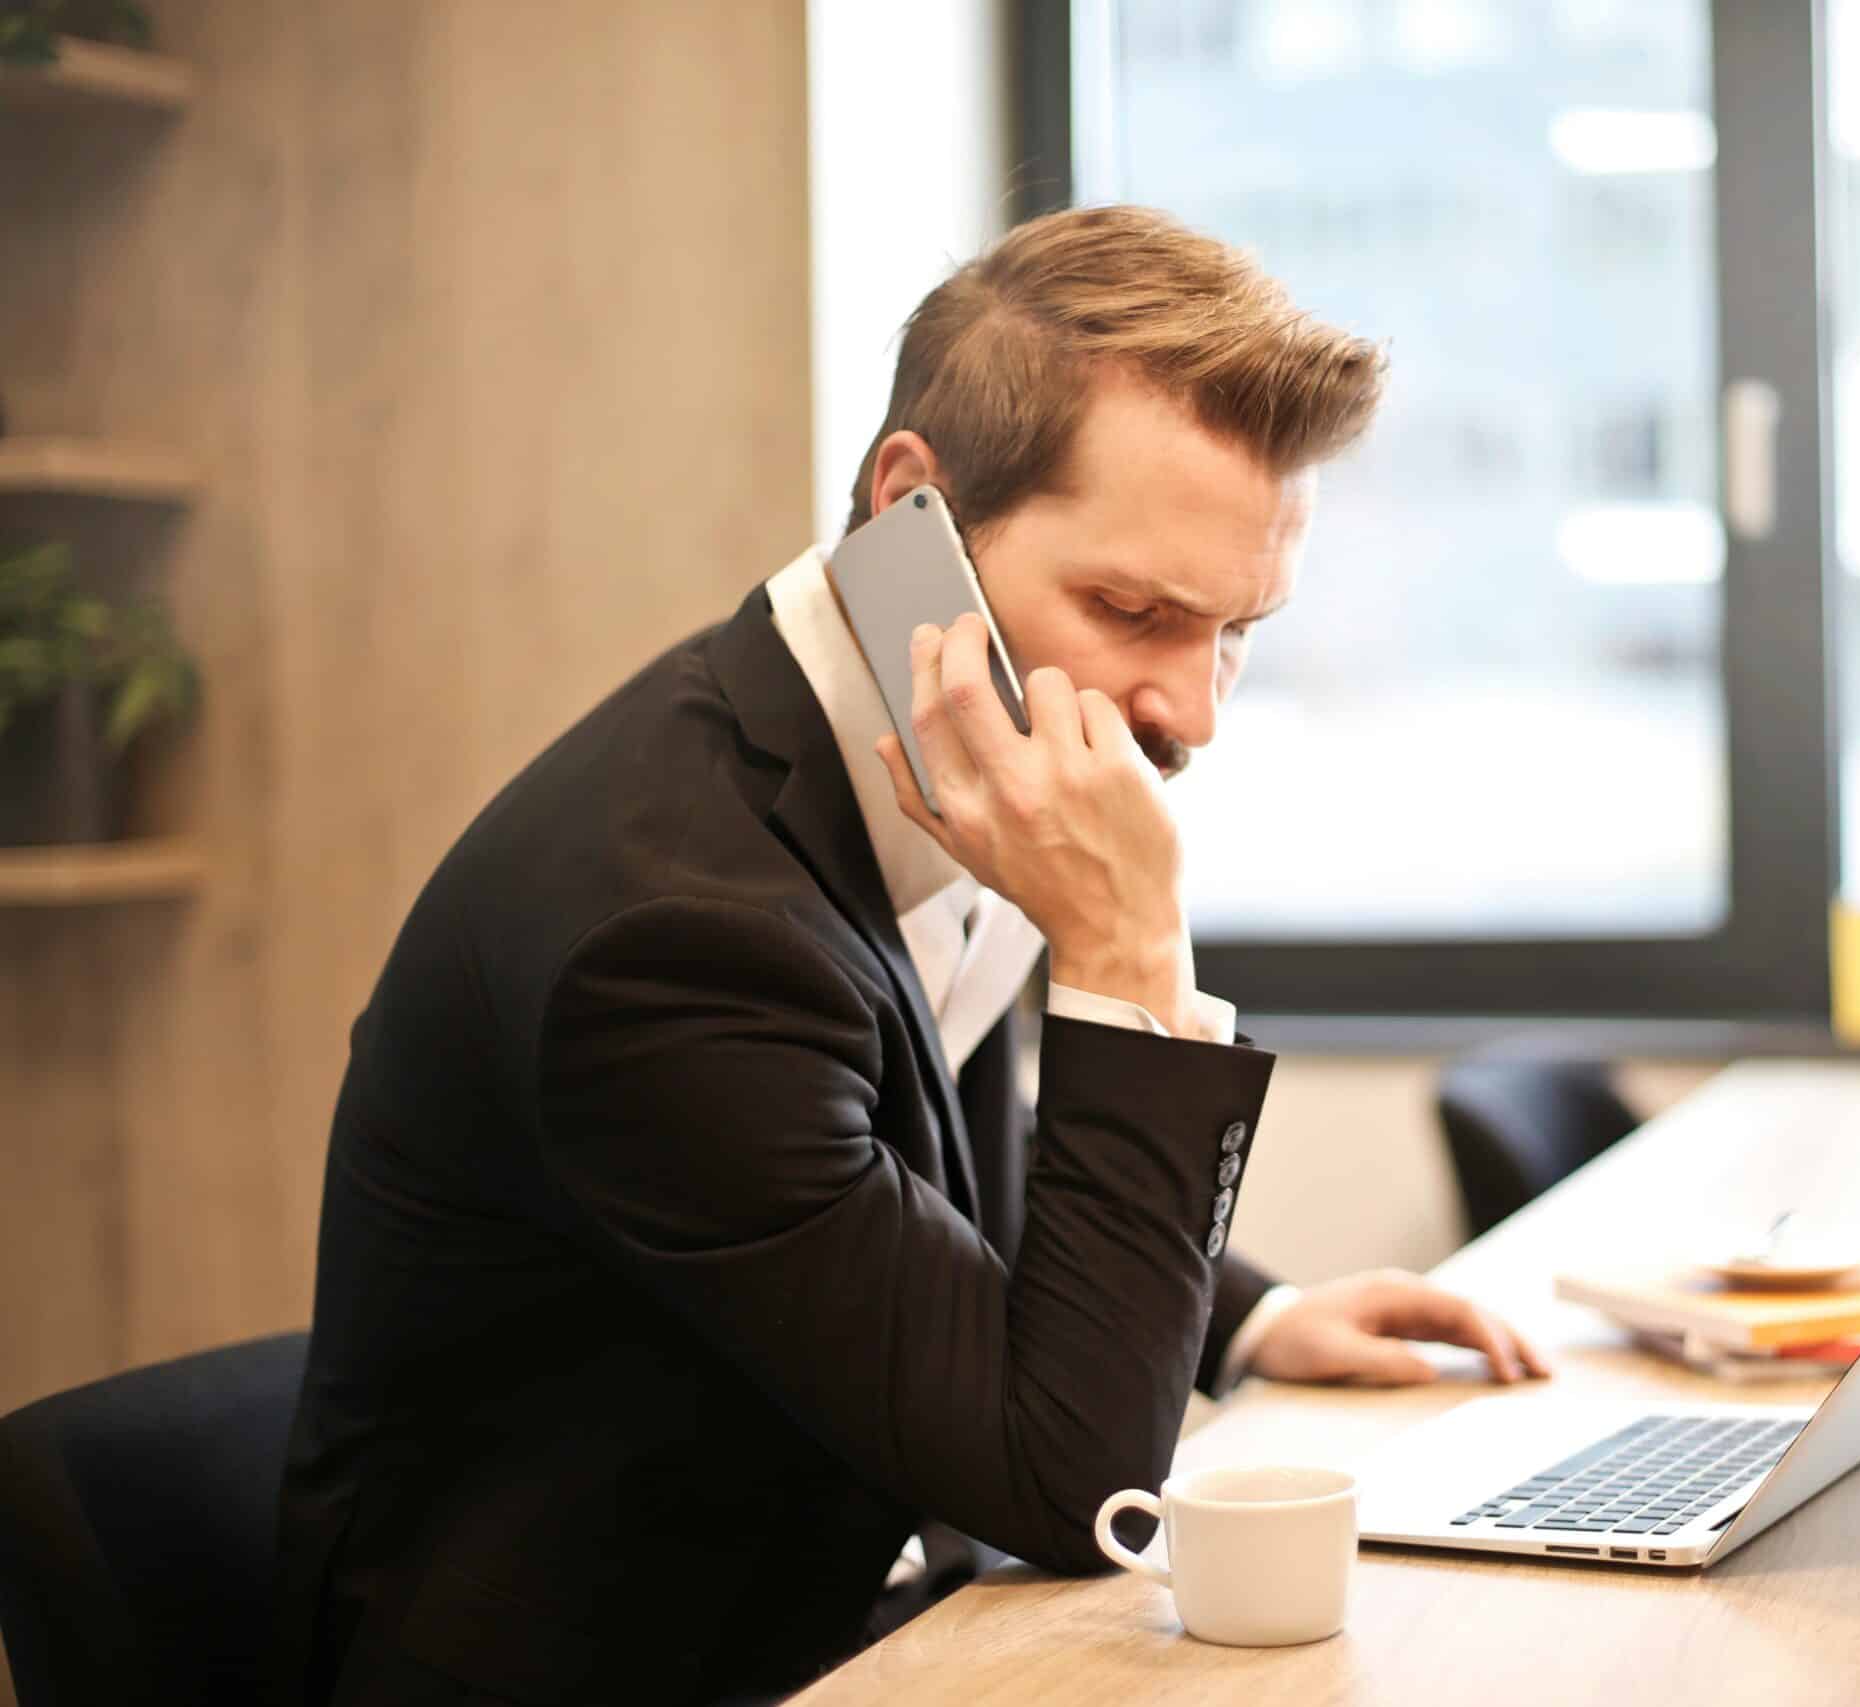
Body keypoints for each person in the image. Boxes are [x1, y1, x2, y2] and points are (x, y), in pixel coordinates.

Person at [273, 204, 1547, 1706]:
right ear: (909, 518)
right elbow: (1074, 1486)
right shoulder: (672, 937)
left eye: (1237, 631)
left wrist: (1245, 1315)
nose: (1189, 713)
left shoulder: (939, 737)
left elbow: (914, 1140)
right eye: (1133, 611)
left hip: (864, 1611)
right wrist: (1126, 946)